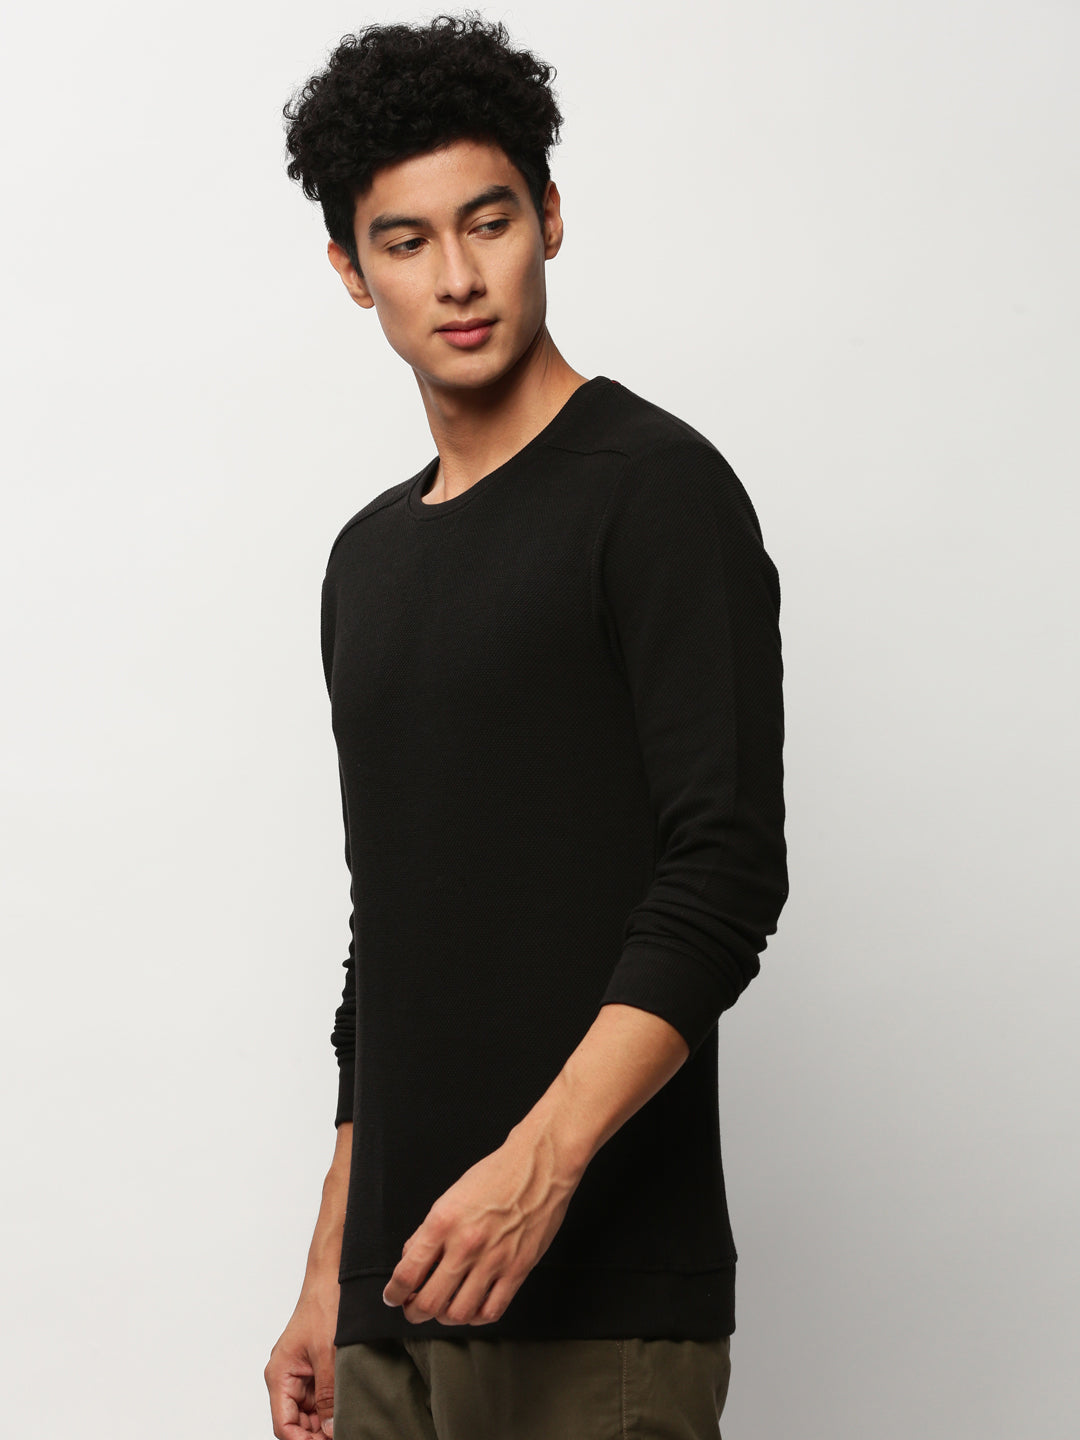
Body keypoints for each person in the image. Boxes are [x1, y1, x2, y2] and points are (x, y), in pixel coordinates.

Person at [266, 13, 788, 1439]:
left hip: (596, 1301)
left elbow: (724, 873)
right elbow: (394, 933)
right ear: (351, 269)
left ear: (549, 217)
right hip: (396, 1299)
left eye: (487, 223)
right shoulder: (366, 561)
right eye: (406, 241)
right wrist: (331, 1272)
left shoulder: (655, 492)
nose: (457, 277)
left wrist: (540, 1171)